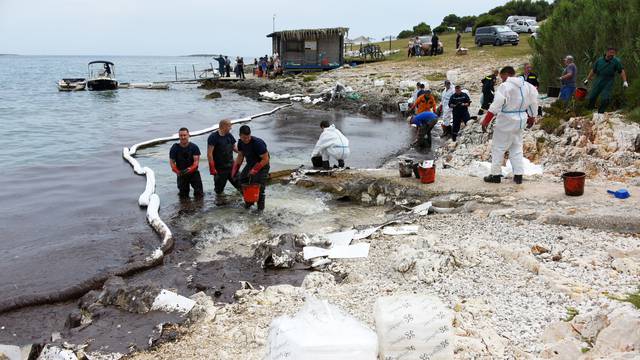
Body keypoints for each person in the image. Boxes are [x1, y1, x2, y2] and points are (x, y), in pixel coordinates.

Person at [481, 66, 539, 184]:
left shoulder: (505, 87)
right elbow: (534, 103)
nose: (502, 80)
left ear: (507, 74)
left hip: (506, 120)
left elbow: (495, 105)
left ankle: (495, 175)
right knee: (516, 147)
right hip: (520, 119)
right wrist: (532, 117)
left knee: (498, 147)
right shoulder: (528, 86)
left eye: (502, 77)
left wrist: (486, 121)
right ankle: (518, 175)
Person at [233, 125, 269, 211]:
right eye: (244, 137)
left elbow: (265, 159)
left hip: (262, 165)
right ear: (240, 135)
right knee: (242, 180)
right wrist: (235, 169)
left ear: (250, 135)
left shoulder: (258, 143)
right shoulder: (240, 143)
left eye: (248, 137)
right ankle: (249, 202)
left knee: (258, 186)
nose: (246, 139)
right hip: (250, 164)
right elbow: (240, 156)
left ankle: (260, 210)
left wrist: (255, 170)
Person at [584, 47, 629, 115]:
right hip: (599, 80)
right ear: (606, 52)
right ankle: (589, 111)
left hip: (608, 81)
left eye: (613, 53)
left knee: (605, 98)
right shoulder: (599, 60)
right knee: (592, 96)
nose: (612, 54)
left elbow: (621, 71)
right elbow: (593, 70)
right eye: (611, 52)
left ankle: (600, 113)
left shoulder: (616, 61)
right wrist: (587, 79)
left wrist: (625, 81)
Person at [207, 119, 241, 205]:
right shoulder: (213, 137)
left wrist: (243, 152)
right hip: (220, 169)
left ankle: (240, 200)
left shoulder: (229, 135)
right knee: (219, 190)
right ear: (224, 126)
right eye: (229, 126)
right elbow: (209, 154)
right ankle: (221, 206)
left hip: (231, 166)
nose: (231, 128)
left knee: (241, 185)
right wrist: (212, 168)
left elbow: (234, 148)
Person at [169, 128, 204, 198]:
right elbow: (172, 163)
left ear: (188, 135)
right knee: (183, 196)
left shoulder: (194, 147)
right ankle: (184, 207)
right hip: (181, 173)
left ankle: (199, 208)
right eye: (181, 135)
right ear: (179, 136)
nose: (183, 137)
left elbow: (196, 162)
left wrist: (189, 169)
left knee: (199, 194)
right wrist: (178, 172)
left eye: (184, 135)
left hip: (194, 173)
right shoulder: (174, 148)